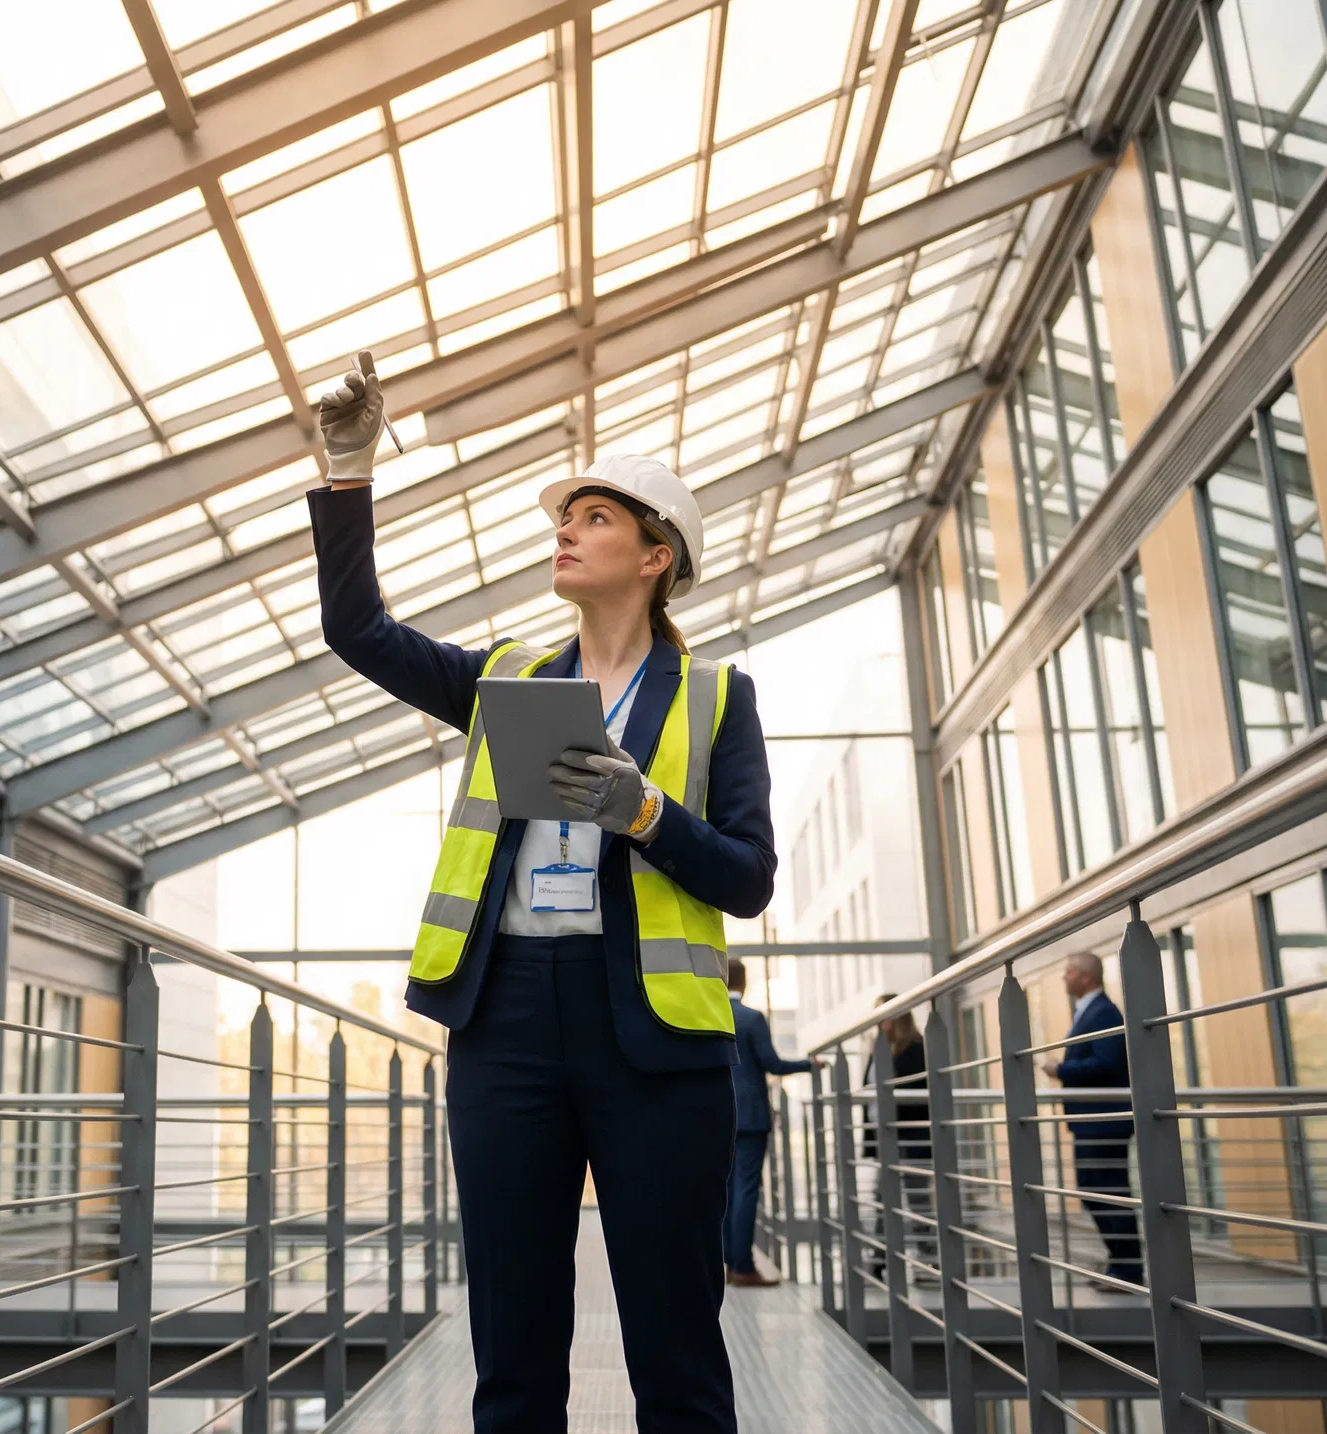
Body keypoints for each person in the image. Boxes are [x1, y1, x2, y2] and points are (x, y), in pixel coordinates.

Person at [310, 353, 776, 1433]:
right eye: (567, 516)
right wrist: (346, 471)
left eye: (596, 517)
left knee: (677, 1353)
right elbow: (357, 632)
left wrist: (647, 814)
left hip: (657, 1043)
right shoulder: (507, 678)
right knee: (511, 1350)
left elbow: (748, 878)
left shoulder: (716, 697)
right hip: (505, 1022)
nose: (566, 529)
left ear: (658, 556)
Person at [1040, 952, 1142, 1287]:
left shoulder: (1102, 1012)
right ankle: (1121, 1265)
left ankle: (1127, 1270)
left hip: (1103, 1122)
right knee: (1092, 1190)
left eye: (1068, 972)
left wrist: (1060, 1070)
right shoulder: (1092, 1010)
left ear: (1086, 977)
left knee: (1109, 1193)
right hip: (1092, 1121)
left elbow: (1106, 1063)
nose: (1064, 978)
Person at [724, 956, 816, 1287]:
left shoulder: (712, 1014)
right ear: (744, 982)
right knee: (747, 1190)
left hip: (721, 1115)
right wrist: (809, 1065)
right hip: (751, 1118)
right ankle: (743, 1266)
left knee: (727, 1191)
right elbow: (773, 1064)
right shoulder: (751, 1018)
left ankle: (729, 1263)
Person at [860, 997, 933, 1278]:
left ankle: (928, 1260)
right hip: (885, 1139)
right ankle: (879, 1259)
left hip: (909, 1137)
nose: (879, 1020)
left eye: (884, 1014)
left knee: (917, 1200)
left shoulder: (914, 1049)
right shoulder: (879, 1049)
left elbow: (915, 1093)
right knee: (883, 1198)